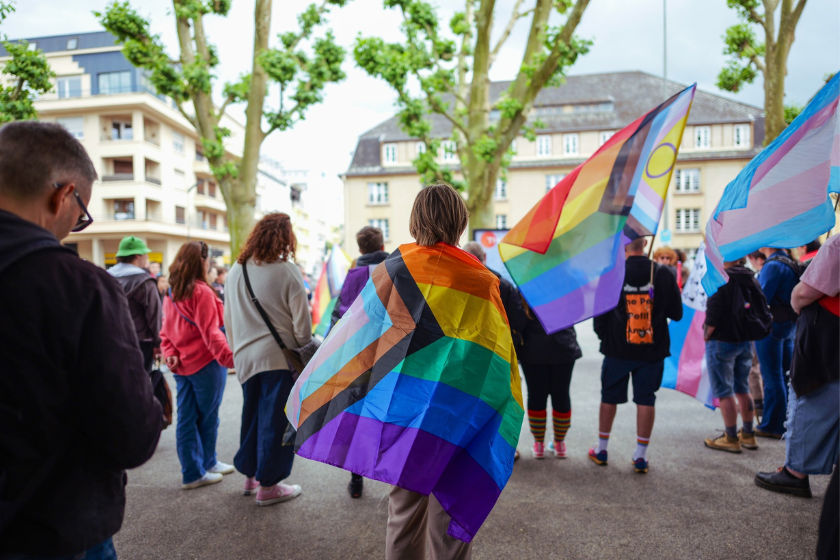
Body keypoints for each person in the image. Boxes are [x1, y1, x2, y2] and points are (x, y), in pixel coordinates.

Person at [0, 121, 162, 558]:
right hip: (52, 526)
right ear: (62, 195)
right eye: (82, 213)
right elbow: (131, 435)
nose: (75, 227)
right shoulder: (75, 285)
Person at [384, 183, 502, 560]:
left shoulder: (392, 270)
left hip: (403, 405)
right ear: (460, 222)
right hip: (458, 408)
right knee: (451, 515)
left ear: (415, 220)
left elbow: (372, 340)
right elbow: (491, 356)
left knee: (403, 511)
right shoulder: (481, 280)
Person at [225, 214, 310, 506]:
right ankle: (269, 485)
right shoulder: (287, 271)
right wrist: (302, 351)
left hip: (245, 358)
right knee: (275, 423)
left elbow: (229, 319)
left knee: (251, 417)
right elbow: (303, 328)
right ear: (286, 237)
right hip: (277, 359)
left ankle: (250, 476)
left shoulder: (237, 270)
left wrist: (238, 351)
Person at [755, 235, 839, 499]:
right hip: (791, 327)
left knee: (806, 396)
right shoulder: (789, 261)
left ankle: (795, 470)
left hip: (825, 335)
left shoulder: (835, 246)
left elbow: (800, 294)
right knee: (778, 377)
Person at [591, 237, 682, 473]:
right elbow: (677, 313)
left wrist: (606, 338)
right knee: (646, 398)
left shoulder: (611, 273)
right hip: (653, 349)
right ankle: (640, 455)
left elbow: (599, 317)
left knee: (609, 396)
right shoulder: (663, 273)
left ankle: (602, 449)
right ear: (644, 244)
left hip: (617, 348)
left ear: (623, 246)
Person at [160, 241, 235, 490]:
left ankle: (196, 469)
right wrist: (231, 358)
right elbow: (211, 333)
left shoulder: (172, 291)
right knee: (208, 417)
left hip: (181, 365)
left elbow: (166, 330)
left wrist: (169, 352)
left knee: (187, 418)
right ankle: (204, 466)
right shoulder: (201, 291)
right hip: (206, 364)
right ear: (201, 262)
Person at [329, 225, 390, 498]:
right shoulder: (396, 270)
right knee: (391, 414)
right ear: (381, 244)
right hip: (391, 356)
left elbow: (337, 318)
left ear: (361, 248)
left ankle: (356, 479)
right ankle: (395, 476)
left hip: (357, 357)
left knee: (355, 414)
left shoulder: (352, 277)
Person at [462, 241, 528, 462]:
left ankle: (470, 448)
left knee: (470, 402)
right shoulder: (503, 283)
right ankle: (504, 449)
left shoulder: (460, 282)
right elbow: (519, 320)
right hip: (498, 354)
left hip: (468, 354)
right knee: (500, 403)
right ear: (484, 258)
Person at [702, 258, 771, 453]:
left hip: (722, 340)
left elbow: (713, 316)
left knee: (725, 391)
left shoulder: (719, 279)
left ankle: (731, 437)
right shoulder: (749, 277)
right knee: (742, 387)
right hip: (745, 340)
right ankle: (748, 434)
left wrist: (707, 335)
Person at [515, 297, 581, 459]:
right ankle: (559, 444)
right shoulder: (567, 283)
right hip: (564, 346)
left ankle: (538, 445)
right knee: (561, 393)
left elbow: (518, 319)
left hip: (533, 349)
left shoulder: (526, 285)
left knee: (536, 395)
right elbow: (579, 310)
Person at [754, 246, 801, 438]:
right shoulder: (790, 262)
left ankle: (772, 425)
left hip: (771, 326)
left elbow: (761, 297)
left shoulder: (773, 265)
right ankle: (783, 421)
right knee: (783, 375)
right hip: (787, 325)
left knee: (772, 376)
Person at [108, 236, 162, 373]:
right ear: (138, 256)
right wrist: (158, 342)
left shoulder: (106, 276)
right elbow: (154, 315)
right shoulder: (144, 281)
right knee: (139, 384)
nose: (147, 257)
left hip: (111, 339)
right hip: (140, 341)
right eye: (145, 254)